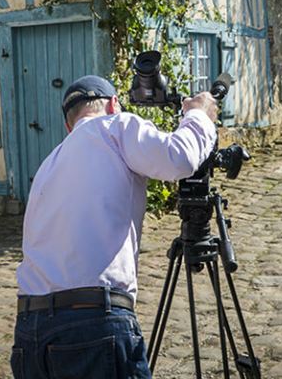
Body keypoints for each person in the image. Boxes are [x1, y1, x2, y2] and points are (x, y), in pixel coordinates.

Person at [12, 74, 219, 379]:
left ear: (69, 125)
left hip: (30, 331)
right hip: (92, 324)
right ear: (113, 105)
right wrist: (199, 113)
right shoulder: (115, 126)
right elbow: (180, 157)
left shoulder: (48, 165)